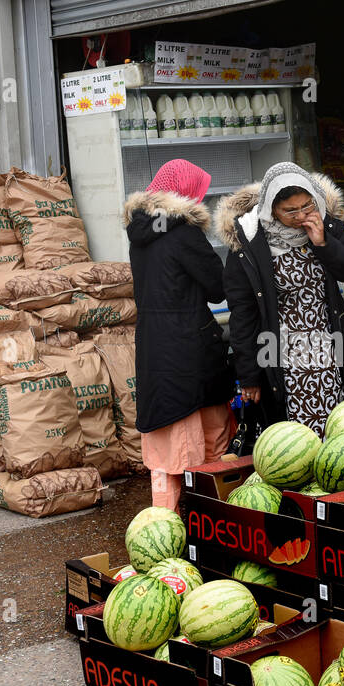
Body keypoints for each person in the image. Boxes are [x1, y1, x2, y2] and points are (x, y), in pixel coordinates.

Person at [216, 162, 344, 438]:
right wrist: (248, 374)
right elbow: (243, 313)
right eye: (290, 211)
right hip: (283, 356)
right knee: (295, 439)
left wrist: (323, 243)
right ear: (271, 208)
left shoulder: (327, 224)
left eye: (307, 206)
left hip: (334, 347)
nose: (301, 216)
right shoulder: (249, 242)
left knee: (342, 430)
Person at [123, 159, 235, 511]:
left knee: (167, 453)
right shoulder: (184, 232)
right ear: (188, 195)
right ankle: (213, 528)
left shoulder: (140, 233)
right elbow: (217, 288)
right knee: (207, 446)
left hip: (155, 352)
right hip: (191, 352)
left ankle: (163, 529)